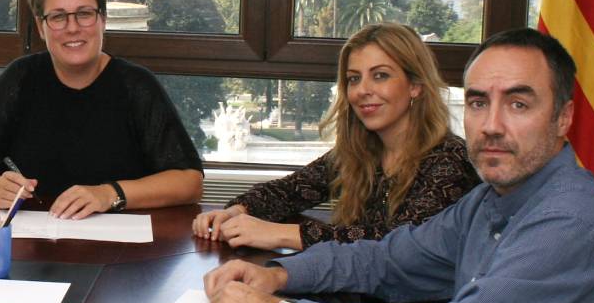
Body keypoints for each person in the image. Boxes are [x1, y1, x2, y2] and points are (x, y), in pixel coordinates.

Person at [203, 28, 594, 303]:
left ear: (563, 119)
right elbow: (386, 258)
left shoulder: (569, 223)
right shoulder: (490, 200)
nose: (491, 125)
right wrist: (278, 275)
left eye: (518, 104)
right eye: (478, 102)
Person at [0, 0, 203, 220]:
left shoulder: (137, 86)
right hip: (34, 247)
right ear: (41, 27)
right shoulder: (20, 79)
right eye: (58, 17)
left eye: (84, 14)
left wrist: (109, 194)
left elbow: (189, 182)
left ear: (102, 19)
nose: (73, 28)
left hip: (119, 253)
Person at [192, 23, 479, 250]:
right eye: (354, 78)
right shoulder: (360, 152)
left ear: (415, 86)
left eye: (380, 75)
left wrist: (281, 235)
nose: (361, 90)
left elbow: (399, 242)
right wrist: (236, 212)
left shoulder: (450, 160)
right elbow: (289, 191)